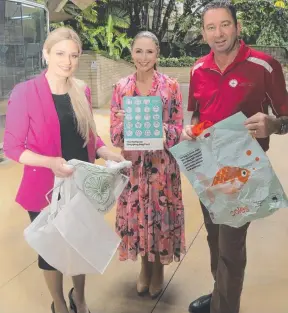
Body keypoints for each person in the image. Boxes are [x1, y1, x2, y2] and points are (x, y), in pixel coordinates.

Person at [3, 27, 124, 313]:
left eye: (73, 55)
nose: (67, 62)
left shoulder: (80, 89)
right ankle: (58, 302)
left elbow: (89, 135)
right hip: (45, 188)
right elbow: (12, 148)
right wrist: (50, 163)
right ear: (45, 54)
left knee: (78, 243)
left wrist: (105, 151)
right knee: (52, 251)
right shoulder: (25, 93)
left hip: (81, 182)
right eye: (60, 54)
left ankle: (79, 298)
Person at [181, 1, 288, 313]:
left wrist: (274, 125)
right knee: (215, 241)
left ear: (237, 27)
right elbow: (198, 118)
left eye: (224, 25)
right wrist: (191, 131)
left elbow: (285, 117)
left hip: (243, 172)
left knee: (231, 248)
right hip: (206, 168)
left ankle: (225, 307)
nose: (218, 33)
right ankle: (219, 297)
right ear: (203, 33)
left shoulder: (265, 65)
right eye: (211, 27)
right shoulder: (198, 70)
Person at [110, 31, 186, 299]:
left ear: (157, 54)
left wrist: (163, 131)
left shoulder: (170, 86)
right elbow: (115, 136)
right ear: (131, 53)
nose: (143, 57)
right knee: (140, 218)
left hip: (162, 167)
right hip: (135, 168)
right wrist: (124, 122)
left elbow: (179, 128)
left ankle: (158, 270)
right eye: (138, 51)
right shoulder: (121, 88)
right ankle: (144, 266)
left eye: (149, 52)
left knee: (159, 218)